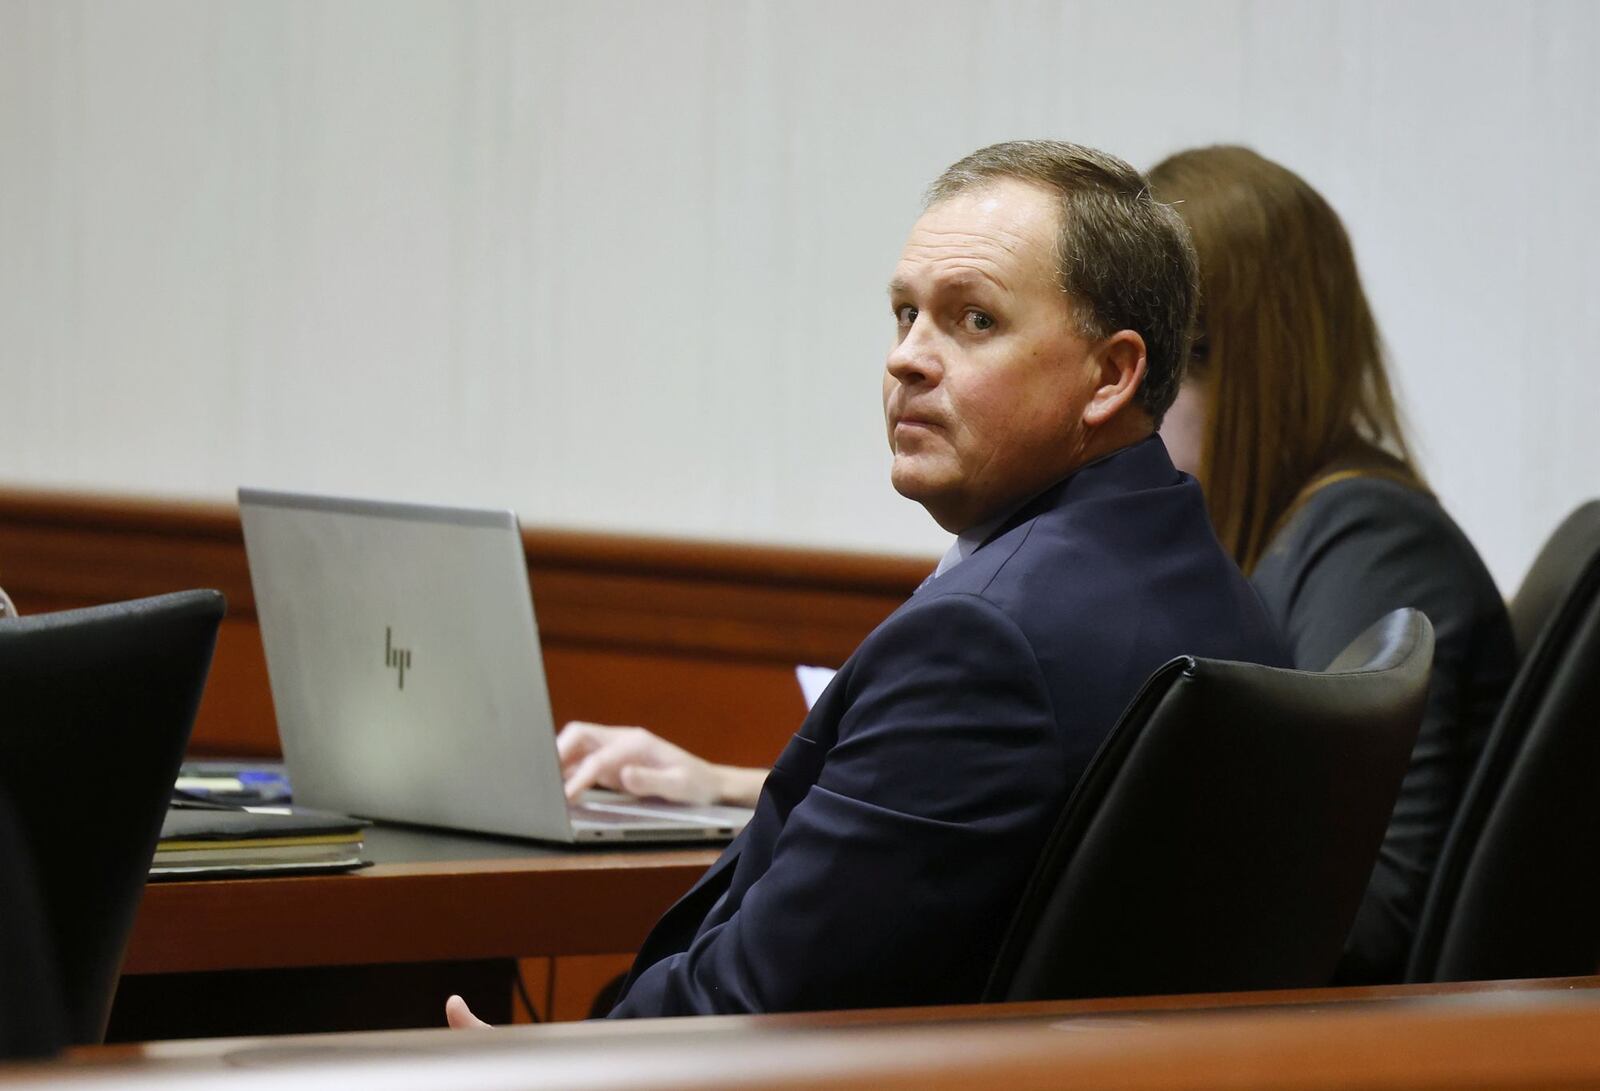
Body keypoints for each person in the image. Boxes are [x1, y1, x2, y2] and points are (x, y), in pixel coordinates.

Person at [448, 140, 1287, 1024]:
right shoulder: (1221, 592)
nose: (907, 359)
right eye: (903, 315)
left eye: (974, 321)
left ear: (1110, 375)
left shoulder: (983, 641)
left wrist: (537, 1064)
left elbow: (754, 1006)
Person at [1147, 146, 1515, 984]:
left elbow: (1366, 915)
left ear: (1238, 368)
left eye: (1148, 369)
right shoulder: (1292, 536)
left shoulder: (1371, 544)